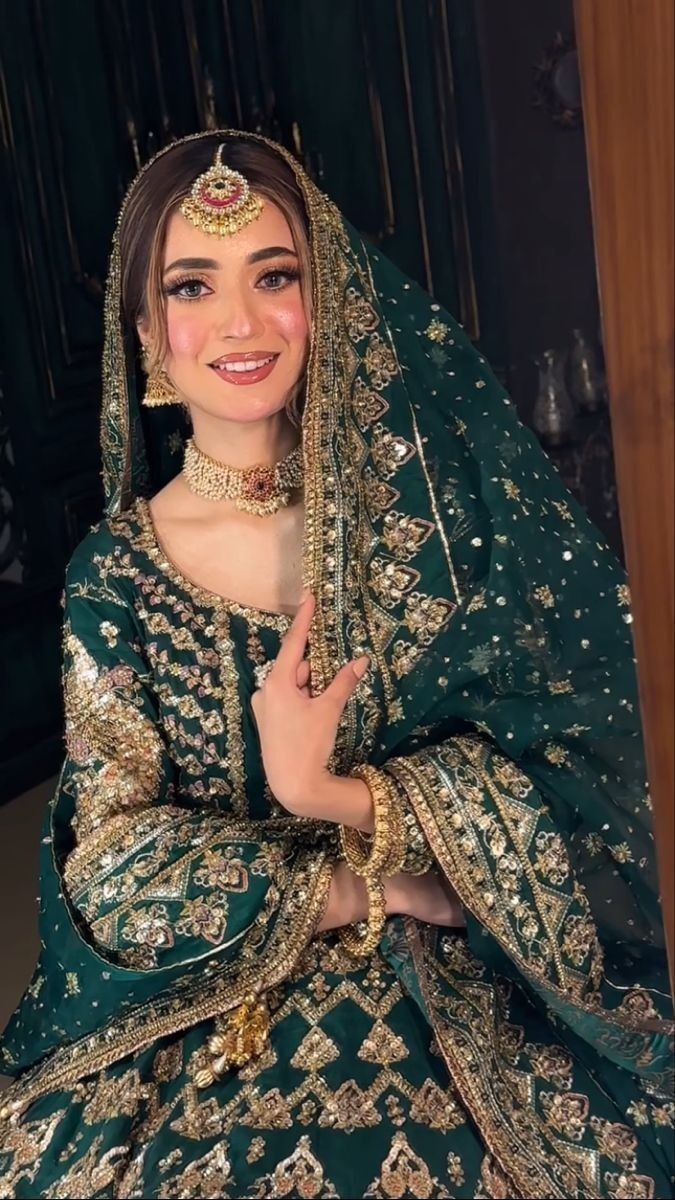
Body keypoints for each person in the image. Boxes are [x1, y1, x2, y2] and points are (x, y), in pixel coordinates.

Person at [0, 130, 672, 1200]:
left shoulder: (431, 527)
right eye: (192, 284)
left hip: (459, 974)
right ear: (144, 332)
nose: (241, 323)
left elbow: (567, 767)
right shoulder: (114, 578)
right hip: (214, 998)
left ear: (333, 302)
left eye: (277, 276)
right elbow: (109, 866)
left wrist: (328, 791)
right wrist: (364, 887)